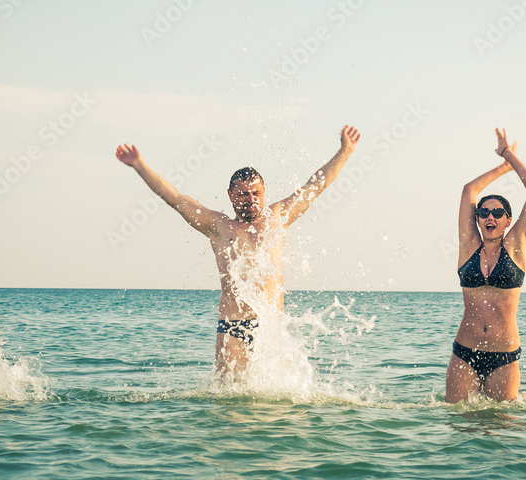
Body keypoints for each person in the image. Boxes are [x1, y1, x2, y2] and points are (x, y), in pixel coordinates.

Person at [115, 126, 361, 375]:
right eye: (242, 194)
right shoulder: (217, 226)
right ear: (231, 196)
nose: (250, 198)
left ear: (264, 194)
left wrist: (345, 151)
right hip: (232, 325)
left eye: (256, 193)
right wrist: (139, 165)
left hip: (271, 327)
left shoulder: (277, 218)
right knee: (229, 400)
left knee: (276, 405)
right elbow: (175, 198)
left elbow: (314, 186)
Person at [446, 128, 526, 403]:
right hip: (465, 352)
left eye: (497, 212)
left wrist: (509, 155)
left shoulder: (516, 245)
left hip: (505, 355)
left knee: (502, 431)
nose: (490, 216)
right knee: (457, 427)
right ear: (478, 219)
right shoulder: (468, 247)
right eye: (484, 212)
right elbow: (470, 190)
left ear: (508, 220)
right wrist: (501, 167)